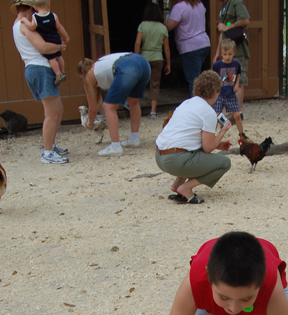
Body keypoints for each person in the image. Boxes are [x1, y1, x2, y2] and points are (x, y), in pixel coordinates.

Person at [155, 70, 232, 204]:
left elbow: (192, 139)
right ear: (215, 93)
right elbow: (207, 148)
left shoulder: (187, 103)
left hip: (160, 156)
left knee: (192, 152)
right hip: (175, 160)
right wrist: (222, 131)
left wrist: (219, 144)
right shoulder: (208, 112)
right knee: (225, 163)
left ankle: (177, 185)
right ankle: (186, 187)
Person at [10, 0, 69, 164]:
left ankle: (51, 145)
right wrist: (60, 46)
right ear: (30, 10)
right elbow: (43, 46)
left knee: (58, 109)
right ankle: (48, 152)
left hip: (35, 68)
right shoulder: (25, 26)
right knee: (52, 113)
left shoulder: (16, 25)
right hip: (40, 68)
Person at [77, 53, 151, 156]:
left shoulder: (88, 76)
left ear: (81, 74)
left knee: (108, 106)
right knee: (133, 101)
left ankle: (115, 146)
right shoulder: (100, 64)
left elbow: (93, 109)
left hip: (126, 66)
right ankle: (134, 139)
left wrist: (90, 122)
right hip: (143, 63)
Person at [211, 0, 250, 113]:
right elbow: (222, 32)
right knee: (228, 81)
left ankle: (237, 113)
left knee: (238, 82)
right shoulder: (223, 7)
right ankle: (232, 112)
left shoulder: (236, 2)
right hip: (227, 51)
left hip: (238, 50)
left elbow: (245, 20)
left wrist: (228, 27)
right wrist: (217, 53)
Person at [166, 0, 211, 94]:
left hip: (190, 47)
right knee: (198, 77)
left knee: (193, 80)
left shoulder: (179, 7)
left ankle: (195, 106)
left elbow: (168, 27)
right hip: (204, 43)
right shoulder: (199, 4)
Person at [20, 0, 69, 86]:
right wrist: (66, 36)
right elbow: (59, 27)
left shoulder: (35, 17)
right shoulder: (53, 15)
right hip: (56, 39)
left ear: (34, 7)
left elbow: (32, 27)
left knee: (52, 59)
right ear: (48, 5)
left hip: (47, 40)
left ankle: (58, 73)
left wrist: (25, 20)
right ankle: (62, 70)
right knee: (59, 56)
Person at [134, 2, 170, 118]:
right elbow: (167, 48)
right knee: (155, 84)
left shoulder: (142, 25)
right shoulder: (163, 28)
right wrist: (168, 63)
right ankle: (153, 111)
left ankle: (136, 108)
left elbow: (138, 42)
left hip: (144, 58)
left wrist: (136, 57)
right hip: (158, 58)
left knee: (140, 83)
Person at [212, 38, 244, 135]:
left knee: (237, 115)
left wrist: (237, 83)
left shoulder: (236, 64)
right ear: (221, 53)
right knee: (216, 116)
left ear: (234, 52)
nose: (227, 57)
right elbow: (212, 76)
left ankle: (242, 134)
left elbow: (238, 73)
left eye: (230, 54)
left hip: (230, 93)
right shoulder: (217, 65)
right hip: (220, 94)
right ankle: (212, 135)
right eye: (225, 54)